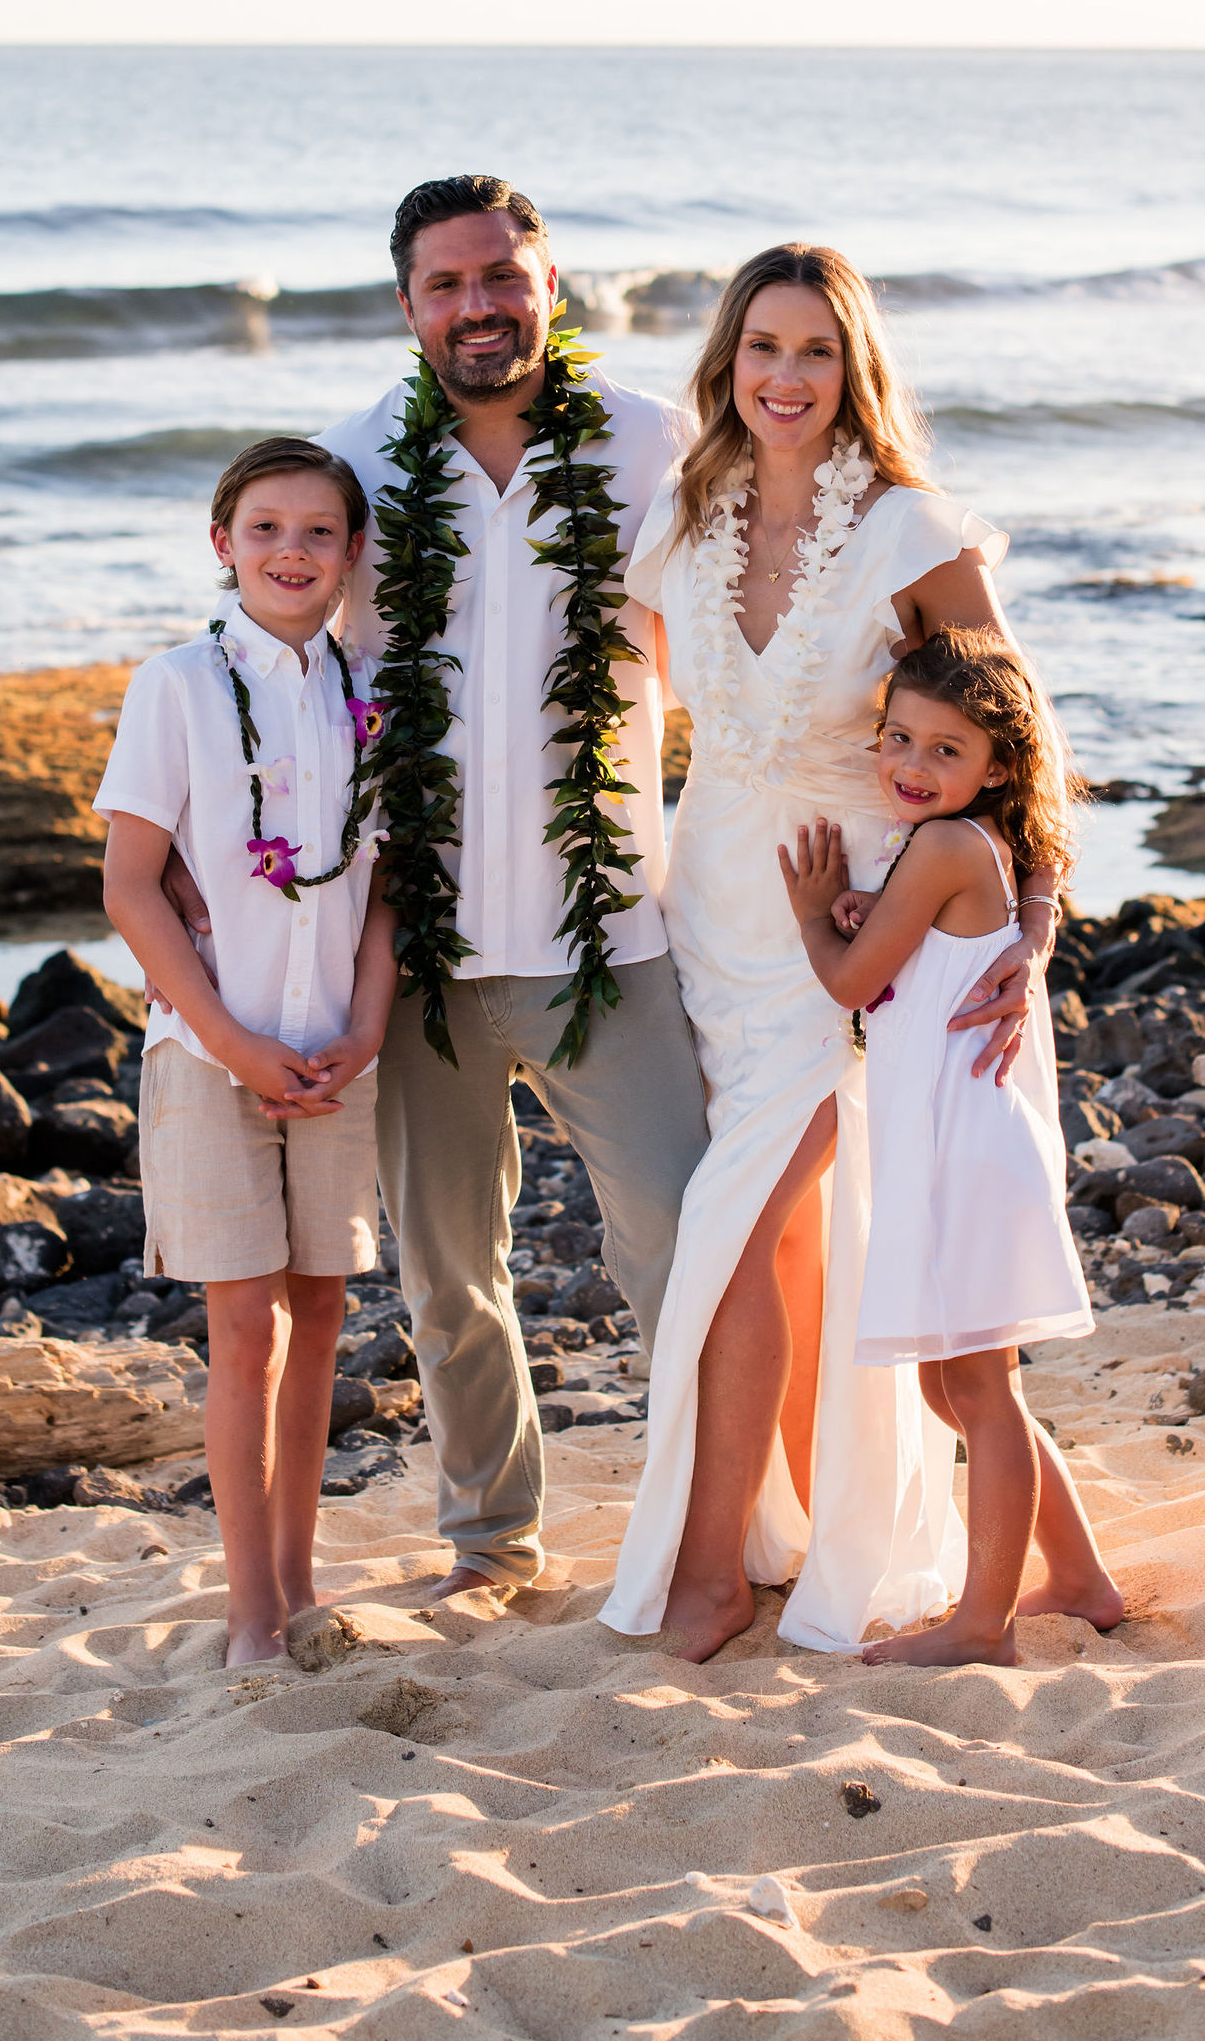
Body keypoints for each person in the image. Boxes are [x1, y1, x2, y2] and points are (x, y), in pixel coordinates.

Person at [600, 242, 1067, 1663]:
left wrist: (1033, 920)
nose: (785, 377)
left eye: (814, 350)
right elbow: (636, 698)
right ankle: (805, 1532)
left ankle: (708, 1572)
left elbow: (1019, 731)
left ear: (852, 369)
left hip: (854, 922)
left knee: (737, 1224)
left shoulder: (908, 529)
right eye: (762, 347)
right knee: (794, 1236)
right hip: (712, 911)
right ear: (726, 363)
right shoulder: (686, 516)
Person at [310, 174, 714, 1601]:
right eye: (447, 283)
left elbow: (730, 654)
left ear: (550, 283)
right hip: (416, 948)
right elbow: (298, 684)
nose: (477, 305)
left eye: (501, 276)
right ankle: (491, 1543)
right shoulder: (354, 462)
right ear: (407, 304)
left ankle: (707, 1527)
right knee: (445, 1275)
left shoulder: (651, 442)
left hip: (611, 931)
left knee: (677, 1240)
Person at [99, 435, 396, 1667]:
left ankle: (298, 1579)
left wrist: (365, 1027)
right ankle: (248, 1611)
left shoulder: (369, 698)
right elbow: (130, 886)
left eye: (319, 531)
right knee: (244, 1329)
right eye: (265, 529)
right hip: (206, 1049)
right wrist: (229, 1040)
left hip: (334, 1053)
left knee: (319, 1314)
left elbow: (384, 894)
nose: (292, 551)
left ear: (352, 552)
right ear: (221, 543)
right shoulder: (175, 687)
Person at [779, 627, 1121, 1667]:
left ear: (998, 767)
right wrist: (869, 909)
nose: (911, 765)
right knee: (955, 1386)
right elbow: (913, 952)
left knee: (977, 1390)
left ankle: (983, 1625)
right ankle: (1081, 1581)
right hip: (956, 1140)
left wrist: (814, 914)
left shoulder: (941, 850)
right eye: (898, 738)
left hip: (959, 1151)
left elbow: (850, 983)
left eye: (944, 750)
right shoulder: (963, 847)